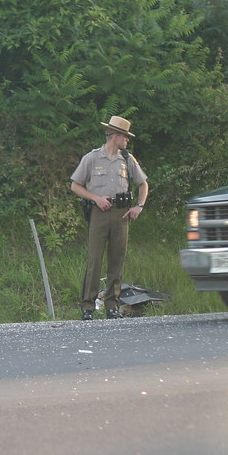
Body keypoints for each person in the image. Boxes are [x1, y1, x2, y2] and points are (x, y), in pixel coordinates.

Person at [69, 115, 149, 320]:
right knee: (94, 259)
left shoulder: (128, 159)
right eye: (125, 137)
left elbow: (143, 184)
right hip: (99, 213)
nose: (127, 141)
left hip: (121, 214)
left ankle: (112, 305)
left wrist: (139, 206)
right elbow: (75, 185)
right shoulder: (92, 158)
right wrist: (95, 198)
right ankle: (87, 306)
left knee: (117, 259)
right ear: (116, 136)